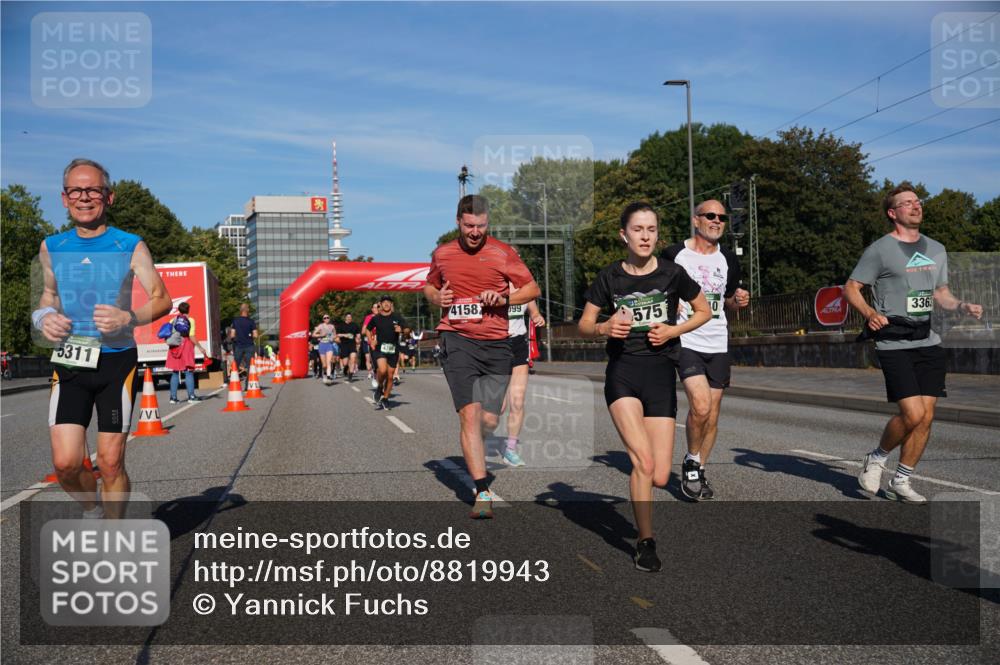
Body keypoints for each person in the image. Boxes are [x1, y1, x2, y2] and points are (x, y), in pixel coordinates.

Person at [35, 158, 171, 519]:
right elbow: (47, 296)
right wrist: (44, 317)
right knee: (65, 464)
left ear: (108, 197)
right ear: (64, 199)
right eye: (76, 191)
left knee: (110, 462)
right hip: (70, 359)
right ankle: (92, 508)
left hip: (116, 360)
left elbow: (163, 298)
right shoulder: (51, 246)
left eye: (93, 189)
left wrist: (129, 316)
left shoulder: (130, 245)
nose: (84, 197)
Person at [579, 202, 710, 571]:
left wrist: (673, 330)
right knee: (643, 461)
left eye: (651, 229)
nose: (645, 235)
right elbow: (584, 324)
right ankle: (645, 541)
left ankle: (643, 522)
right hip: (623, 372)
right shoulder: (610, 277)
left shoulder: (673, 273)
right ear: (624, 235)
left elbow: (704, 311)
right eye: (638, 229)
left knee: (660, 475)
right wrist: (605, 327)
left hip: (661, 375)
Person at [845, 183, 983, 503]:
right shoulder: (879, 250)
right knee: (912, 414)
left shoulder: (936, 249)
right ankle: (877, 457)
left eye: (917, 201)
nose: (915, 205)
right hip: (893, 341)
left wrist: (962, 305)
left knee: (927, 417)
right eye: (907, 203)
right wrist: (868, 312)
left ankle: (901, 480)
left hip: (927, 339)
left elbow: (941, 294)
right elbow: (851, 288)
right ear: (893, 213)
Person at [423, 194, 540, 519]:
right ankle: (482, 490)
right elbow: (429, 287)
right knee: (470, 417)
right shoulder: (443, 253)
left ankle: (476, 442)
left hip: (496, 344)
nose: (475, 232)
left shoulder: (502, 252)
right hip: (457, 338)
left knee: (490, 418)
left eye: (481, 226)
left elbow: (532, 290)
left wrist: (503, 297)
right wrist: (437, 296)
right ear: (458, 221)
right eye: (469, 225)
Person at [661, 200, 750, 500]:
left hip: (718, 342)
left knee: (711, 413)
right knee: (699, 405)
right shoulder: (674, 255)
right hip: (686, 340)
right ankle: (692, 466)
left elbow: (726, 302)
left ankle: (696, 464)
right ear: (696, 220)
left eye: (722, 217)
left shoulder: (728, 259)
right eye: (710, 216)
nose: (717, 221)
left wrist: (737, 302)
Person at [497, 285, 545, 467]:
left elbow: (534, 312)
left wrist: (537, 317)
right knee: (498, 407)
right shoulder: (494, 286)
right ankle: (477, 438)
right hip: (497, 346)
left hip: (518, 345)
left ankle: (510, 449)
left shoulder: (525, 290)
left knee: (517, 401)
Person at [363, 296, 407, 410]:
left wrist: (402, 330)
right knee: (382, 370)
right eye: (384, 302)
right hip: (380, 348)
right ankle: (379, 388)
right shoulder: (376, 318)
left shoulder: (397, 317)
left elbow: (407, 329)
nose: (386, 304)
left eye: (389, 302)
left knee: (391, 376)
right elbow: (367, 329)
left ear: (391, 304)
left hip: (393, 349)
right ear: (380, 305)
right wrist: (371, 340)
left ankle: (386, 398)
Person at [166, 301, 210, 404]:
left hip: (174, 346)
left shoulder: (173, 320)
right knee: (188, 371)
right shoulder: (190, 320)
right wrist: (200, 347)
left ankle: (173, 398)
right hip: (186, 345)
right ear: (188, 310)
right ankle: (191, 396)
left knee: (175, 372)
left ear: (179, 310)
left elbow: (168, 334)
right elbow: (191, 336)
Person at [230, 303, 258, 381]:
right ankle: (248, 385)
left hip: (238, 346)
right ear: (247, 310)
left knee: (236, 365)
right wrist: (250, 336)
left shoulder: (235, 321)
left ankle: (234, 383)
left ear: (240, 311)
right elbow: (255, 335)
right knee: (250, 366)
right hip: (249, 346)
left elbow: (232, 335)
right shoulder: (251, 321)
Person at [312, 314, 338, 384]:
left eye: (327, 318)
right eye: (325, 318)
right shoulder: (321, 326)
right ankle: (325, 374)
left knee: (329, 362)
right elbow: (313, 334)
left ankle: (329, 377)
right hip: (322, 345)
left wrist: (333, 338)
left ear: (329, 318)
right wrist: (321, 335)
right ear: (323, 319)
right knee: (324, 365)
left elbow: (335, 335)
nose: (326, 319)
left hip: (329, 345)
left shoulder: (332, 326)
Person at [338, 313, 361, 381]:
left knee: (353, 359)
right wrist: (345, 335)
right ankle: (345, 368)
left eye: (350, 317)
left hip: (352, 344)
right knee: (345, 362)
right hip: (344, 345)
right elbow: (337, 334)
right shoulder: (341, 325)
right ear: (345, 318)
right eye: (348, 317)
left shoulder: (355, 325)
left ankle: (350, 375)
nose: (349, 318)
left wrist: (358, 338)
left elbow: (358, 334)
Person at [362, 301, 379, 386]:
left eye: (378, 307)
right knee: (376, 363)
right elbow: (363, 331)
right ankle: (375, 376)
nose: (376, 309)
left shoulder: (383, 317)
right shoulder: (369, 318)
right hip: (372, 343)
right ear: (372, 309)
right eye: (375, 307)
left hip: (383, 343)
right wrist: (372, 332)